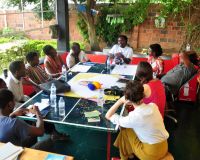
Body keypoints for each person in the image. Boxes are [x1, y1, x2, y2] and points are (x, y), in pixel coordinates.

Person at [105, 81, 169, 160]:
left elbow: (108, 115)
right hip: (164, 147)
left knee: (124, 129)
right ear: (143, 94)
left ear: (128, 100)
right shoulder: (153, 106)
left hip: (150, 154)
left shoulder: (134, 117)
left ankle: (124, 157)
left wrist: (120, 101)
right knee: (128, 129)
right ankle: (129, 154)